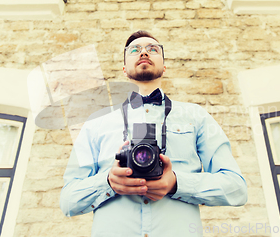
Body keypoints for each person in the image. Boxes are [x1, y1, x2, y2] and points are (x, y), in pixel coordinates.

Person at [60, 30, 247, 237]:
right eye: (134, 50)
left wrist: (176, 183)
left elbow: (236, 188)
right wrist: (108, 182)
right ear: (124, 68)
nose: (143, 53)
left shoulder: (196, 116)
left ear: (164, 66)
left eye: (153, 49)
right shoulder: (97, 121)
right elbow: (68, 200)